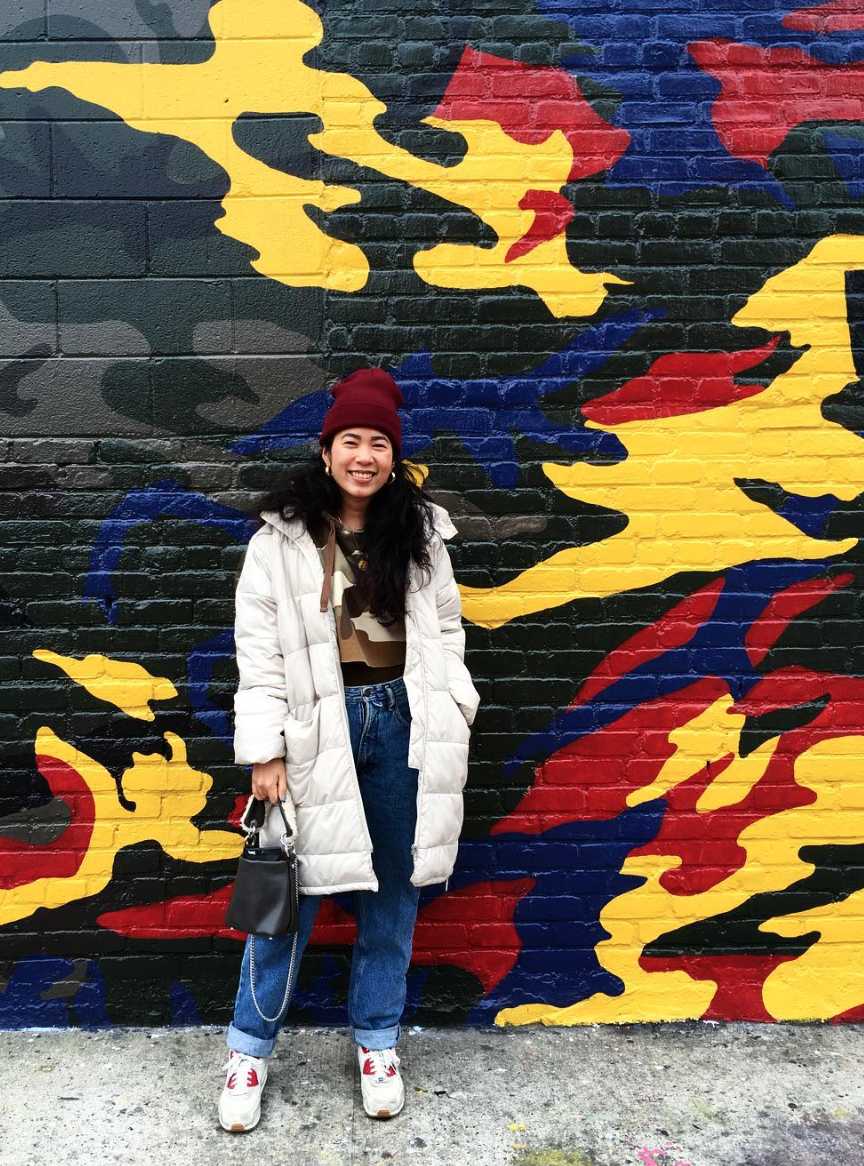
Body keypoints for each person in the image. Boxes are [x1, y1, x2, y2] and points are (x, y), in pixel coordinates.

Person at [219, 368, 480, 1131]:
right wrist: (264, 752)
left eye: (378, 444)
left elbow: (448, 626)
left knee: (393, 895)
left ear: (394, 457)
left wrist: (453, 700)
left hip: (404, 725)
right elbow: (258, 653)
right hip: (314, 734)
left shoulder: (420, 534)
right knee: (288, 901)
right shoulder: (280, 541)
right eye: (351, 441)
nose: (364, 456)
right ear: (326, 449)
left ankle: (377, 1041)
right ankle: (248, 1050)